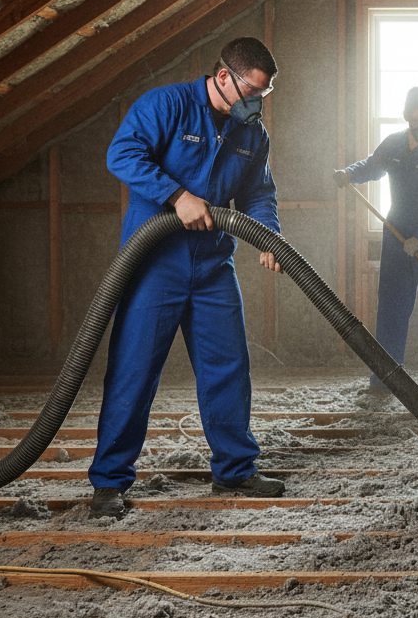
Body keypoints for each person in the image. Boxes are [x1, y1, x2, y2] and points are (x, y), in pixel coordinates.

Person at [88, 37, 286, 519]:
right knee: (134, 371)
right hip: (155, 261)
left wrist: (268, 236)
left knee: (228, 367)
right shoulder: (166, 105)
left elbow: (258, 193)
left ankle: (235, 470)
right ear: (223, 77)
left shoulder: (252, 133)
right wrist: (176, 195)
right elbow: (122, 154)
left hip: (214, 265)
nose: (256, 103)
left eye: (263, 94)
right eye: (250, 92)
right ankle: (110, 481)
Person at [333, 87, 418, 407]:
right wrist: (349, 174)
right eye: (416, 121)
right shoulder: (394, 145)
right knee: (391, 310)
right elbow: (372, 166)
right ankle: (384, 380)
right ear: (406, 117)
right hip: (396, 239)